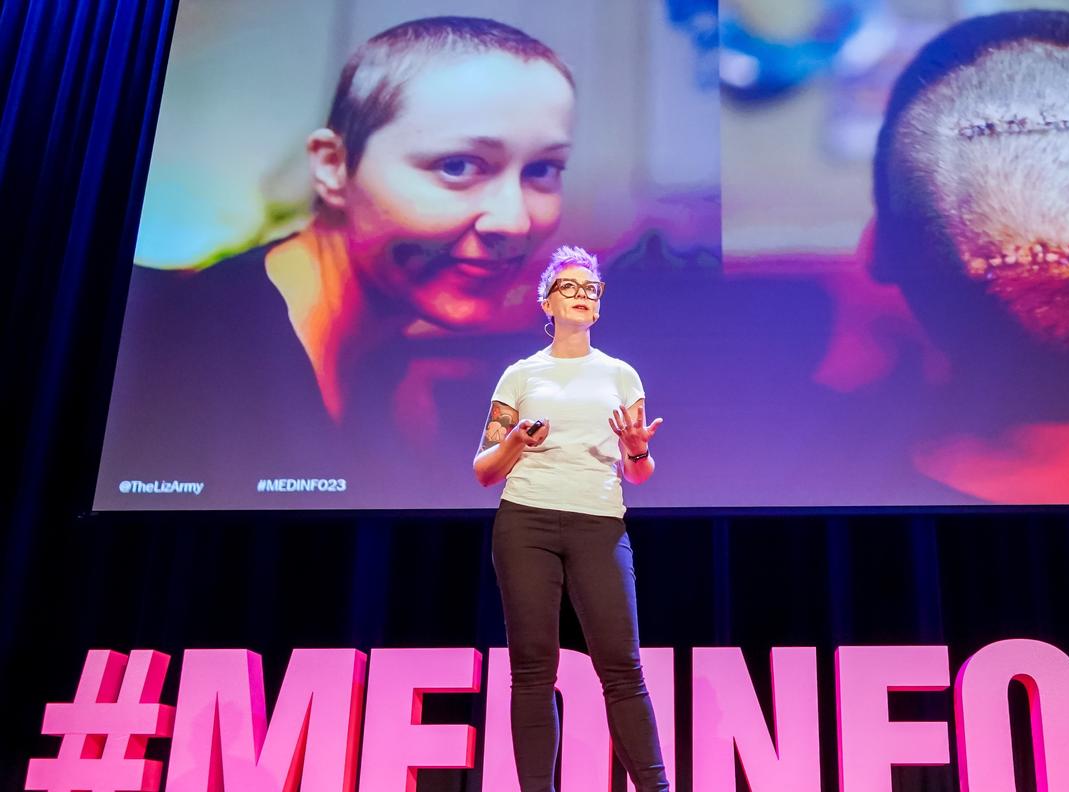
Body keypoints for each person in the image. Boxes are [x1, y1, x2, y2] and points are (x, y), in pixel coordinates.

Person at [96, 17, 575, 507]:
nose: (515, 223)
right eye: (457, 166)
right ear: (332, 166)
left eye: (543, 169)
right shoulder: (157, 343)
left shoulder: (388, 379)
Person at [474, 245, 670, 791]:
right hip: (526, 522)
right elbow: (485, 469)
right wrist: (513, 441)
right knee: (533, 673)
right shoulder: (520, 376)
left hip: (598, 524)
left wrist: (635, 449)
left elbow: (641, 475)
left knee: (622, 669)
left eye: (592, 288)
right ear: (547, 301)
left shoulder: (620, 375)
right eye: (571, 286)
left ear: (599, 306)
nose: (582, 295)